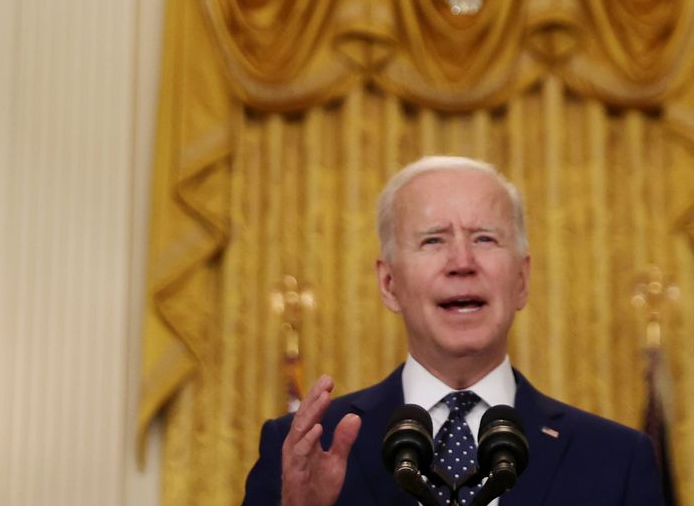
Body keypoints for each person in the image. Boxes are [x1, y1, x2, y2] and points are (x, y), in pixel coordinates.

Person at [241, 156, 666, 506]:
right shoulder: (303, 450)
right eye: (433, 241)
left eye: (484, 239)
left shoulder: (615, 460)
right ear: (389, 284)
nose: (462, 261)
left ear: (521, 280)